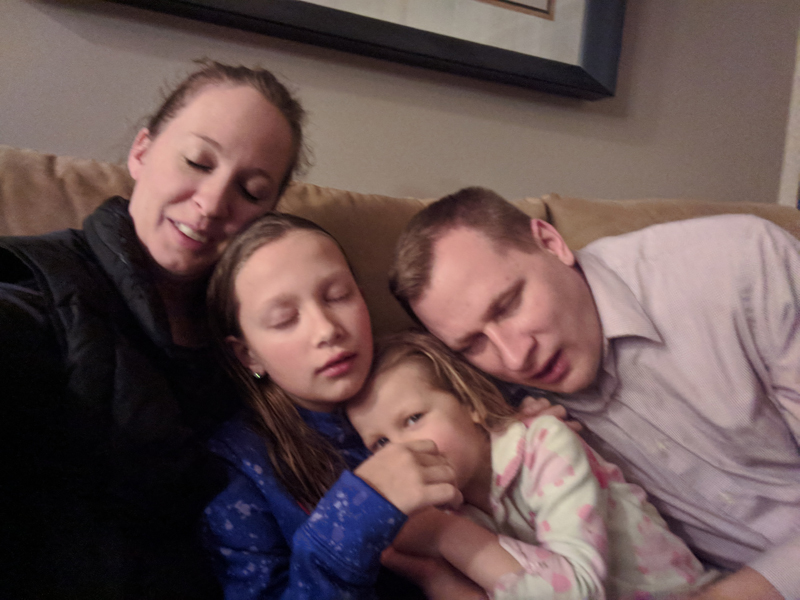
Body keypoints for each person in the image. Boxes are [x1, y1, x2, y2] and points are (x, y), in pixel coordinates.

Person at [388, 187, 800, 600]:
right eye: (472, 343)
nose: (515, 357)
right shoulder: (495, 404)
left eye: (509, 304)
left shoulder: (740, 264)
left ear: (551, 243)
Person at [0, 60, 307, 599]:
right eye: (197, 161)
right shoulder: (43, 285)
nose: (212, 203)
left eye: (252, 190)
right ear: (141, 151)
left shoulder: (257, 338)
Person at [204, 212, 497, 599]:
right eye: (285, 319)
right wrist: (361, 509)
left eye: (338, 296)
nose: (327, 329)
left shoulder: (421, 367)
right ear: (248, 355)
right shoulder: (237, 466)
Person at [346, 330, 714, 600]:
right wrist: (432, 576)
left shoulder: (544, 443)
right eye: (380, 443)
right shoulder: (445, 509)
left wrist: (448, 537)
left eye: (413, 419)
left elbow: (577, 592)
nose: (401, 454)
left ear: (469, 403)